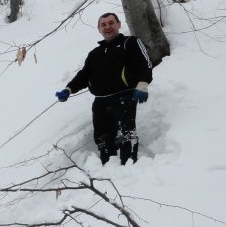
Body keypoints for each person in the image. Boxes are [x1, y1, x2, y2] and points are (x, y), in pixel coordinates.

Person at [55, 13, 153, 165]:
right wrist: (68, 89)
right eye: (104, 24)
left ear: (119, 24)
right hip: (100, 102)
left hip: (124, 97)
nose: (108, 27)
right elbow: (84, 75)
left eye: (111, 23)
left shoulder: (130, 42)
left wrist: (143, 83)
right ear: (99, 29)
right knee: (103, 139)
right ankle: (107, 171)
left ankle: (130, 168)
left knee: (126, 135)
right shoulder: (94, 54)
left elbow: (145, 62)